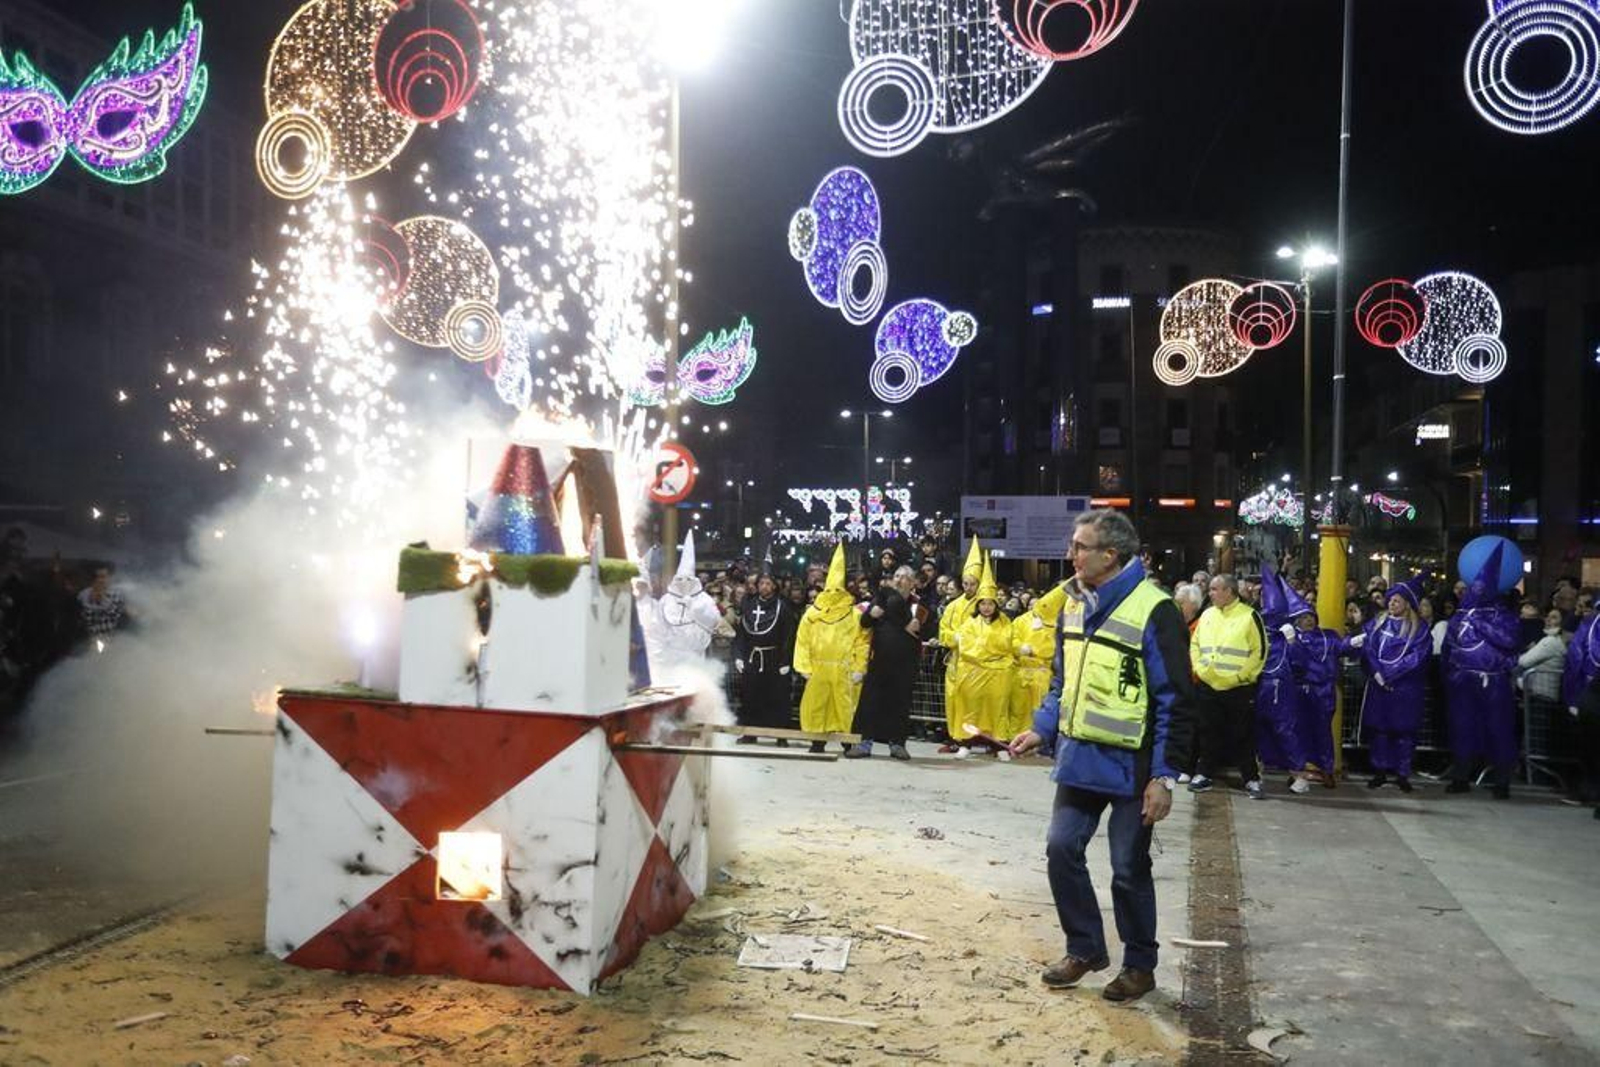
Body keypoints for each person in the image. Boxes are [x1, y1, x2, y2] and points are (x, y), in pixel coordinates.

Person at [1009, 508, 1195, 1003]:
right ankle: (1086, 948)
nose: (1070, 554)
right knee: (1060, 849)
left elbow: (1175, 699)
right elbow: (1061, 683)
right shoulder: (1071, 606)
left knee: (1128, 868)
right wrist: (1039, 728)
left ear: (1111, 555)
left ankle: (1140, 965)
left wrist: (1164, 776)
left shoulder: (1155, 609)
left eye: (1079, 547)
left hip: (1133, 765)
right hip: (1080, 757)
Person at [1442, 547, 1521, 797]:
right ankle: (1461, 777)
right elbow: (1448, 648)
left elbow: (1509, 641)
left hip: (1494, 682)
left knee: (1499, 729)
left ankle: (1501, 781)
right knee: (1463, 728)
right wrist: (1451, 676)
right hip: (1463, 680)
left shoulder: (1504, 616)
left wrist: (1481, 624)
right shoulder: (1459, 617)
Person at [1188, 574, 1267, 798]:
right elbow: (1195, 644)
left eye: (1214, 589)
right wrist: (1201, 670)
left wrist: (1242, 677)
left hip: (1238, 688)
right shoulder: (1207, 614)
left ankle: (1251, 779)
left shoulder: (1250, 616)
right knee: (1207, 732)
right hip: (1208, 684)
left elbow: (1259, 651)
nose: (1210, 593)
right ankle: (1204, 774)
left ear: (1229, 592)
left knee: (1242, 735)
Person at [1350, 576, 1432, 791]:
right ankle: (1380, 771)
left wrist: (1391, 674)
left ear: (1407, 603)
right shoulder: (1379, 622)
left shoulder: (1420, 629)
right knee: (1380, 730)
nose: (1392, 603)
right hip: (1379, 686)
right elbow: (1367, 647)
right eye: (1390, 600)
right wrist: (1377, 673)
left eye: (1397, 600)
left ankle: (1402, 773)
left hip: (1405, 688)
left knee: (1404, 732)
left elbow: (1418, 657)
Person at [793, 544, 868, 747]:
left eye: (838, 589)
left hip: (844, 669)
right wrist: (804, 667)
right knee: (817, 706)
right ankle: (817, 743)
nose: (834, 593)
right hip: (818, 668)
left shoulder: (855, 615)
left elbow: (862, 642)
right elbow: (802, 640)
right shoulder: (812, 614)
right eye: (830, 589)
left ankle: (847, 742)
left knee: (843, 707)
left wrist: (860, 667)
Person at [848, 565, 922, 760]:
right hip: (879, 662)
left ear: (913, 583)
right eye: (896, 576)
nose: (899, 580)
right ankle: (863, 743)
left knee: (899, 704)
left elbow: (926, 630)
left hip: (905, 665)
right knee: (870, 703)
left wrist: (916, 626)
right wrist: (871, 615)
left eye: (905, 577)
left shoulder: (918, 606)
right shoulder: (881, 599)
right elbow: (864, 623)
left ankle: (897, 744)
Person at [947, 557, 1014, 758]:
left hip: (998, 674)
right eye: (982, 603)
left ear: (995, 605)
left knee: (997, 710)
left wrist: (985, 647)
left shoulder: (1005, 623)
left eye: (990, 604)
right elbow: (967, 647)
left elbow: (1006, 645)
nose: (986, 607)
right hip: (973, 672)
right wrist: (988, 648)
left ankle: (1000, 746)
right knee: (971, 709)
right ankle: (966, 744)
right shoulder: (970, 624)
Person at [1255, 568, 1312, 794]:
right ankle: (1255, 772)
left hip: (1281, 690)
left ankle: (1299, 774)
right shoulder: (1256, 628)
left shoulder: (1288, 634)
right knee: (1257, 732)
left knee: (1285, 731)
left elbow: (1302, 664)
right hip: (1259, 687)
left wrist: (1293, 643)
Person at [1282, 583, 1340, 786]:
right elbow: (1294, 662)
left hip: (1322, 691)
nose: (1308, 620)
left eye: (1310, 616)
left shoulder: (1328, 637)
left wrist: (1354, 643)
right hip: (1297, 691)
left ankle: (1327, 769)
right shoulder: (1289, 639)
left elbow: (1342, 647)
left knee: (1323, 732)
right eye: (1303, 617)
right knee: (1297, 732)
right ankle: (1297, 770)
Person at [733, 565, 798, 745]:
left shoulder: (783, 607)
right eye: (761, 583)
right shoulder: (749, 605)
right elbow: (741, 634)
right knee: (751, 696)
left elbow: (789, 636)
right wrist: (738, 656)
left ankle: (780, 735)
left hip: (775, 659)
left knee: (777, 698)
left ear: (774, 586)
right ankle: (749, 733)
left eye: (768, 583)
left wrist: (786, 661)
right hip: (753, 658)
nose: (764, 586)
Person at [933, 537, 983, 752]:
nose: (968, 587)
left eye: (973, 583)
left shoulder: (986, 606)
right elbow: (943, 631)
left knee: (976, 704)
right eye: (965, 583)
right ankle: (956, 737)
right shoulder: (953, 606)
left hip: (977, 665)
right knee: (954, 701)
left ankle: (975, 740)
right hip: (955, 662)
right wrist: (955, 639)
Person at [1010, 582, 1066, 755]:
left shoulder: (1058, 624)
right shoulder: (1021, 620)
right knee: (1018, 710)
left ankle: (1042, 745)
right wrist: (1021, 648)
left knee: (1041, 710)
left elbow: (1054, 651)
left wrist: (1036, 651)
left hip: (1043, 674)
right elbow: (1011, 640)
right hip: (1022, 673)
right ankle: (1014, 740)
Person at [76, 563, 128, 646]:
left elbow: (114, 615)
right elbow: (83, 617)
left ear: (109, 578)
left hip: (113, 643)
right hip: (88, 643)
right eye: (97, 577)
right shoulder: (83, 595)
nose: (100, 580)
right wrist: (91, 599)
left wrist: (102, 598)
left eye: (103, 577)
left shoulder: (117, 595)